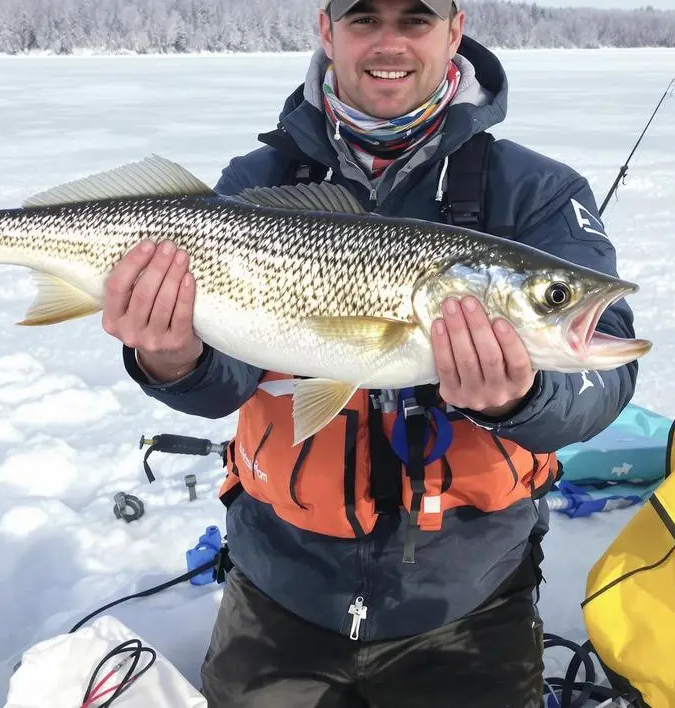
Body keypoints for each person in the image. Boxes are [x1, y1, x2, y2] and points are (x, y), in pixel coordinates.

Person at [102, 0, 640, 705]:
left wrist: (524, 397)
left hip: (469, 603)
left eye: (415, 19)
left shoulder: (537, 192)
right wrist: (172, 360)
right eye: (363, 19)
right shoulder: (259, 180)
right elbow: (223, 380)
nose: (389, 42)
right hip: (280, 589)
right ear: (327, 31)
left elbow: (609, 379)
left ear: (456, 29)